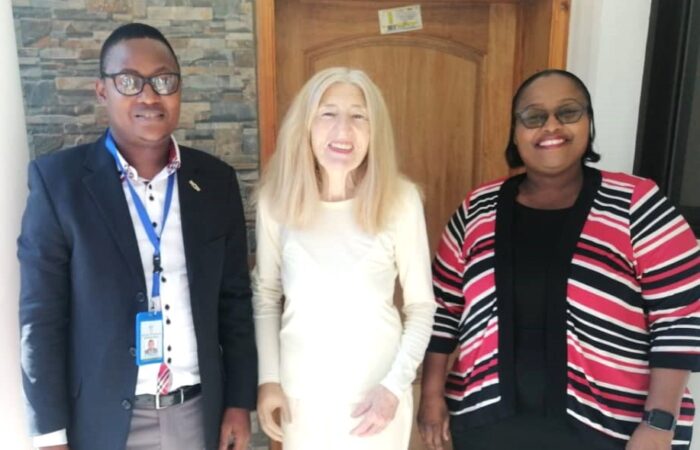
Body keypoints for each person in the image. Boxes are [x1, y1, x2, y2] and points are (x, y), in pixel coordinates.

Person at [418, 69, 700, 450]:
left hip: (614, 431)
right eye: (533, 117)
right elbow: (442, 311)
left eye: (568, 112)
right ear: (515, 133)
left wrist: (659, 423)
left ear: (589, 123)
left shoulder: (637, 204)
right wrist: (431, 396)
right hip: (487, 427)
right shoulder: (476, 209)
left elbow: (680, 319)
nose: (551, 126)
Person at [18, 23, 257, 450]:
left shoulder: (216, 182)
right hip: (103, 423)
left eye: (164, 81)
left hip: (196, 414)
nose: (149, 96)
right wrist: (50, 435)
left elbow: (235, 300)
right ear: (102, 91)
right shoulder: (59, 185)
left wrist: (239, 403)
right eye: (129, 81)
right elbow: (42, 319)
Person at [252, 67, 436, 449]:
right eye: (328, 113)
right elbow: (266, 295)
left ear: (374, 130)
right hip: (301, 403)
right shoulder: (276, 202)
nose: (343, 130)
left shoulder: (400, 201)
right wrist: (268, 380)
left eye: (358, 116)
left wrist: (393, 388)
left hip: (377, 404)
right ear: (306, 125)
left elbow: (421, 307)